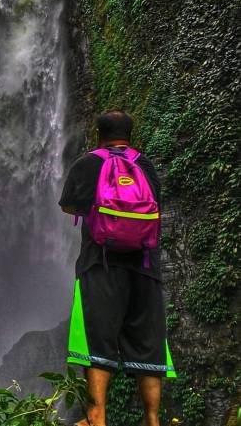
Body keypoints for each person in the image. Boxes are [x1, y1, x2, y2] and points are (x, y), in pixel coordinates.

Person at [59, 109, 176, 426]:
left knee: (99, 338)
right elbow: (156, 208)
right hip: (144, 266)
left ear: (98, 134)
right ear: (131, 134)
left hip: (101, 264)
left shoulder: (89, 162)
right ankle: (152, 419)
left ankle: (97, 414)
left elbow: (68, 203)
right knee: (148, 341)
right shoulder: (144, 165)